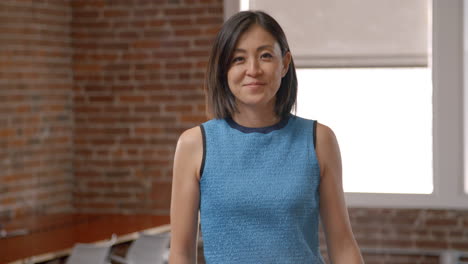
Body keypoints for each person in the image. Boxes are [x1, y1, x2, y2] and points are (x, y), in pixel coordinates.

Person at [169, 10, 364, 264]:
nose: (253, 69)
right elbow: (181, 253)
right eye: (238, 59)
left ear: (284, 64)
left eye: (265, 56)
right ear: (223, 69)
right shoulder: (194, 145)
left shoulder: (319, 140)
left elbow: (343, 246)